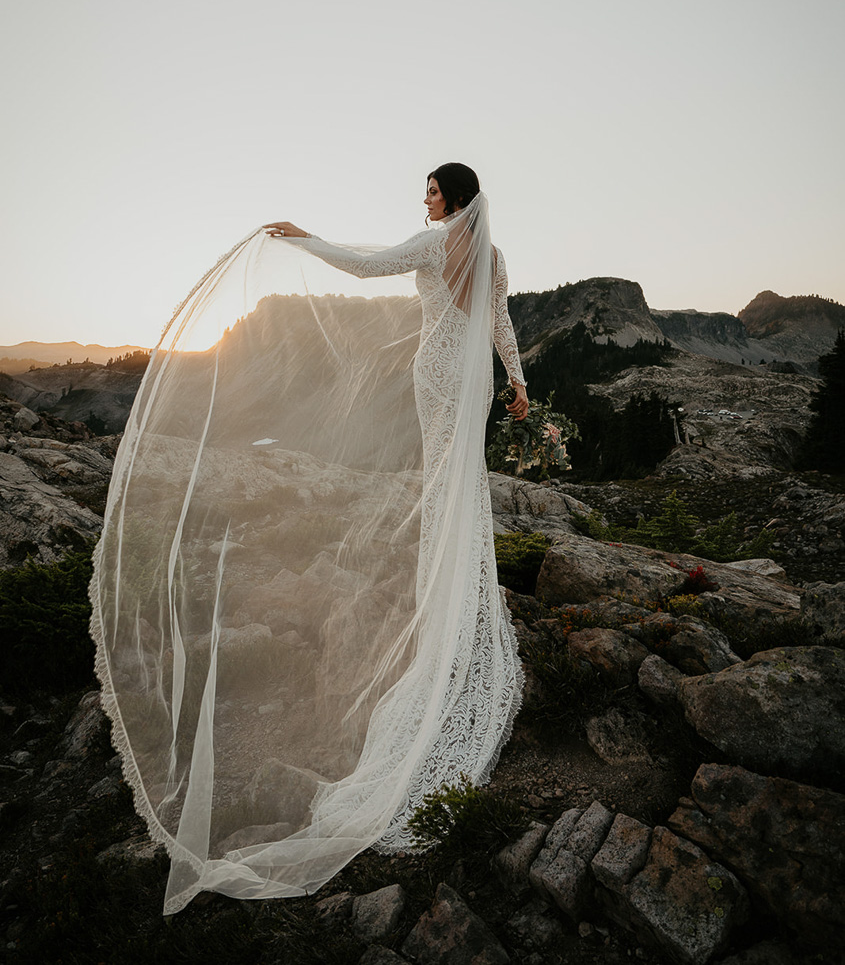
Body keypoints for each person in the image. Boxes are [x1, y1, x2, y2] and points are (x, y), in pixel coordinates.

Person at [90, 162, 528, 913]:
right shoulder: (491, 257)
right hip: (471, 376)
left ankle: (441, 594)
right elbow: (498, 324)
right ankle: (455, 591)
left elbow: (366, 267)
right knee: (461, 486)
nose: (421, 198)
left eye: (428, 189)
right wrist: (516, 382)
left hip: (436, 372)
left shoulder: (431, 245)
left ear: (452, 197)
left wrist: (305, 239)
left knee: (441, 484)